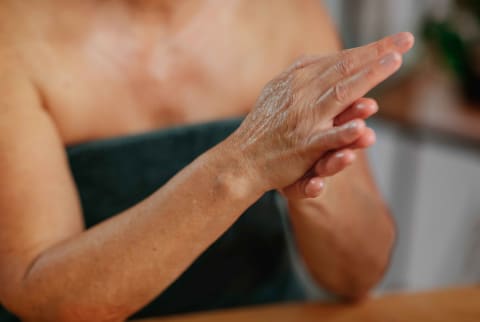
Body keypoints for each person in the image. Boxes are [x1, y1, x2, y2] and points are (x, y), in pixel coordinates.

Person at [0, 0, 414, 321]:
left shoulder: (287, 13)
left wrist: (316, 169)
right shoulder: (14, 31)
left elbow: (360, 274)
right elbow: (39, 300)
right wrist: (244, 166)